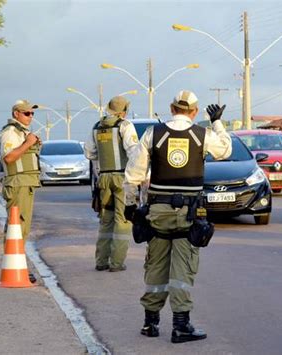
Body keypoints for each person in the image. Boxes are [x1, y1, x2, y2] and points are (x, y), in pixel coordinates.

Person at [124, 90, 232, 343]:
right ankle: (181, 326)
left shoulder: (154, 133)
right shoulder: (201, 134)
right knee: (182, 269)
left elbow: (134, 173)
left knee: (156, 265)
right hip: (188, 214)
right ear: (194, 112)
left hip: (157, 212)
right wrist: (216, 122)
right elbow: (225, 150)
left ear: (172, 109)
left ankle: (150, 323)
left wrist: (130, 206)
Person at [84, 96, 139, 272]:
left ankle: (101, 261)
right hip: (122, 178)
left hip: (104, 178)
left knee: (106, 220)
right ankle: (116, 263)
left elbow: (89, 153)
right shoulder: (125, 125)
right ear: (124, 111)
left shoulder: (96, 127)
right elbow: (133, 151)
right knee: (122, 220)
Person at [0, 100, 42, 283]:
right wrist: (28, 143)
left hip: (26, 183)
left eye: (32, 113)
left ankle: (17, 265)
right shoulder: (11, 132)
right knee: (17, 226)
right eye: (27, 113)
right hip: (18, 184)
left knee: (21, 228)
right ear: (16, 113)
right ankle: (14, 266)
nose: (30, 117)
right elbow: (9, 158)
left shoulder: (22, 132)